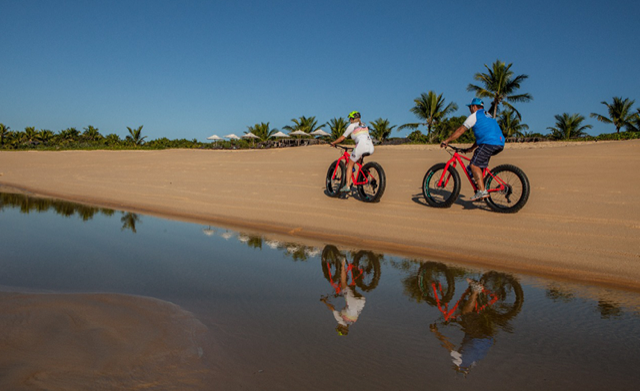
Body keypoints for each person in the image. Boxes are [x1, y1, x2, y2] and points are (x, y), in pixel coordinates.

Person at [441, 98, 505, 201]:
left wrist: (447, 140)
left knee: (473, 164)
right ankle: (481, 186)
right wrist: (471, 148)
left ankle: (482, 191)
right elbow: (483, 136)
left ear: (474, 107)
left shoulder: (474, 116)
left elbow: (460, 130)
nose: (470, 110)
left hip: (489, 143)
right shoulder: (487, 116)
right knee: (478, 163)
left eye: (470, 107)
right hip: (499, 143)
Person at [329, 111, 375, 193]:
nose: (350, 120)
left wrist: (333, 143)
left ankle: (347, 186)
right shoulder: (364, 125)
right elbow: (362, 137)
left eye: (350, 118)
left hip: (361, 146)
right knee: (359, 159)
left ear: (352, 118)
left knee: (350, 164)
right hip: (370, 147)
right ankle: (365, 174)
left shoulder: (352, 126)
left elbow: (342, 138)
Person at [320, 257, 366, 336]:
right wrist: (325, 302)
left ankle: (357, 268)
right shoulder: (341, 321)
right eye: (338, 327)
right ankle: (343, 263)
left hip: (361, 301)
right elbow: (332, 309)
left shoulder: (351, 322)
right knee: (343, 284)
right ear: (340, 327)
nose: (338, 325)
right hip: (352, 302)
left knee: (351, 289)